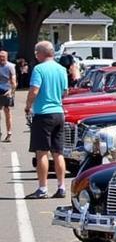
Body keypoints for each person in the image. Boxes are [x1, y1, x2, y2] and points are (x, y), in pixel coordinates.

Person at [24, 40, 68, 198]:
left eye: (37, 53)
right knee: (58, 152)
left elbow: (34, 90)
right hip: (58, 112)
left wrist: (28, 105)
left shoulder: (39, 69)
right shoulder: (61, 69)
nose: (36, 56)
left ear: (41, 53)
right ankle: (61, 186)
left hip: (43, 113)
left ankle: (42, 188)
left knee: (41, 152)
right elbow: (65, 92)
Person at [0, 49, 16, 142]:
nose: (1, 59)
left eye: (3, 57)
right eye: (0, 57)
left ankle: (9, 132)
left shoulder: (10, 66)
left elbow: (14, 80)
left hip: (6, 90)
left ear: (6, 57)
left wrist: (11, 91)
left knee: (7, 111)